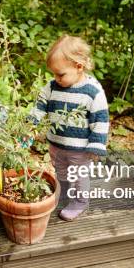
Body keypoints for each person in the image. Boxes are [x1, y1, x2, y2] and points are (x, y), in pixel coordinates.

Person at [30, 35, 109, 221]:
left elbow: (101, 119)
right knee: (61, 171)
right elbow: (40, 105)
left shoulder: (92, 92)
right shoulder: (52, 87)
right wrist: (30, 124)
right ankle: (63, 194)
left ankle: (81, 201)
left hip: (80, 149)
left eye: (61, 74)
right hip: (57, 144)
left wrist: (96, 146)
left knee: (80, 176)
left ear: (78, 66)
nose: (56, 78)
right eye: (54, 74)